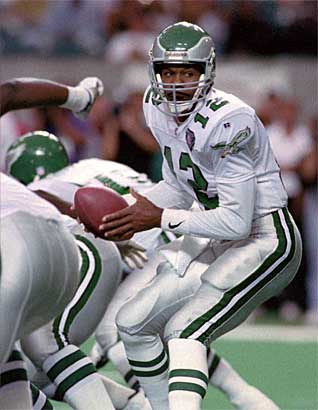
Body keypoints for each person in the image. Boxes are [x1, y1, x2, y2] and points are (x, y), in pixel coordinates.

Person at [97, 22, 302, 410]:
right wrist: (123, 213)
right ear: (154, 73)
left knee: (184, 331)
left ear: (206, 73)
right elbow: (178, 186)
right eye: (168, 72)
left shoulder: (229, 120)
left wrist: (159, 219)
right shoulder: (154, 107)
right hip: (219, 236)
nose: (176, 83)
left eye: (187, 73)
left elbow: (237, 221)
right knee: (133, 323)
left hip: (266, 239)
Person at [6, 131, 282, 410]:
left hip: (156, 248)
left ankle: (148, 404)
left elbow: (42, 199)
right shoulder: (94, 166)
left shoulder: (50, 186)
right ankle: (247, 398)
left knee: (114, 332)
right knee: (171, 333)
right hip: (189, 240)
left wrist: (100, 225)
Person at [0, 76, 110, 410]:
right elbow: (10, 92)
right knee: (13, 364)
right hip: (61, 246)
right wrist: (79, 97)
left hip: (19, 244)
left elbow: (8, 93)